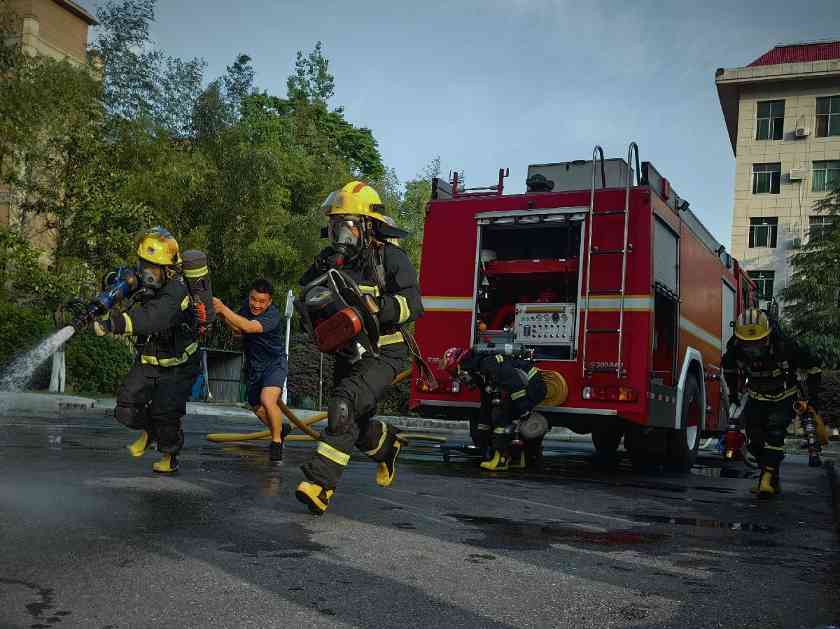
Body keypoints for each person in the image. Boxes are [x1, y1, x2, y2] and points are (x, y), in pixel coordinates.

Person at [295, 181, 423, 516]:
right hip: (347, 353)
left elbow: (413, 304)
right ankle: (386, 444)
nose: (341, 236)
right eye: (336, 227)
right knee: (353, 421)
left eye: (348, 226)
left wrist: (380, 307)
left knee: (342, 407)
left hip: (385, 354)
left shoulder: (391, 258)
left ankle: (319, 485)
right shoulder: (329, 261)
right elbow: (304, 294)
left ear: (368, 226)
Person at [93, 227, 200, 474]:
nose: (146, 273)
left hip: (178, 366)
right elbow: (118, 283)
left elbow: (154, 318)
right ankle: (151, 431)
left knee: (166, 415)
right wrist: (112, 288)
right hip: (149, 361)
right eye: (144, 265)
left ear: (168, 269)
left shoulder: (178, 292)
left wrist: (114, 324)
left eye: (153, 267)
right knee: (125, 408)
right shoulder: (142, 279)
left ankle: (170, 454)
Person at [722, 308, 822, 498]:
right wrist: (734, 393)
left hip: (784, 396)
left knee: (775, 434)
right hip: (756, 397)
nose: (753, 350)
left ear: (768, 336)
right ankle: (772, 477)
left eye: (758, 343)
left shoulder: (787, 346)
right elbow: (728, 369)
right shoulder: (735, 347)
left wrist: (813, 398)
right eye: (747, 345)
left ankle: (765, 479)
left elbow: (814, 366)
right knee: (755, 441)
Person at [213, 279, 289, 462]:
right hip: (254, 366)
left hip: (274, 364)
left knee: (267, 399)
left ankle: (277, 442)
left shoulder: (272, 316)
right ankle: (280, 429)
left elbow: (248, 326)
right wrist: (221, 315)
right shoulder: (245, 310)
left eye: (262, 301)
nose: (256, 304)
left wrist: (223, 308)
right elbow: (238, 331)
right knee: (256, 405)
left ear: (269, 302)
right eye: (253, 299)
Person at [440, 346, 548, 471]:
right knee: (501, 416)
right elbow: (487, 400)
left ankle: (501, 460)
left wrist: (524, 409)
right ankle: (517, 459)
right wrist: (482, 427)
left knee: (502, 417)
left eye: (456, 374)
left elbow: (514, 383)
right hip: (524, 386)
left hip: (533, 385)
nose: (460, 379)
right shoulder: (479, 370)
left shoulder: (488, 363)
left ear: (460, 367)